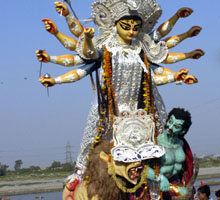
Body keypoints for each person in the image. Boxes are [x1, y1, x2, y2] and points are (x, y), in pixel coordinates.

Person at [36, 0, 204, 191]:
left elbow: (155, 74)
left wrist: (177, 75)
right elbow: (79, 65)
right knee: (91, 140)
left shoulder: (142, 48)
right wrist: (55, 78)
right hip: (108, 108)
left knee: (155, 145)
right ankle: (79, 172)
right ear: (114, 24)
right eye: (126, 27)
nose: (131, 32)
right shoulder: (105, 47)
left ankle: (157, 179)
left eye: (136, 27)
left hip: (139, 109)